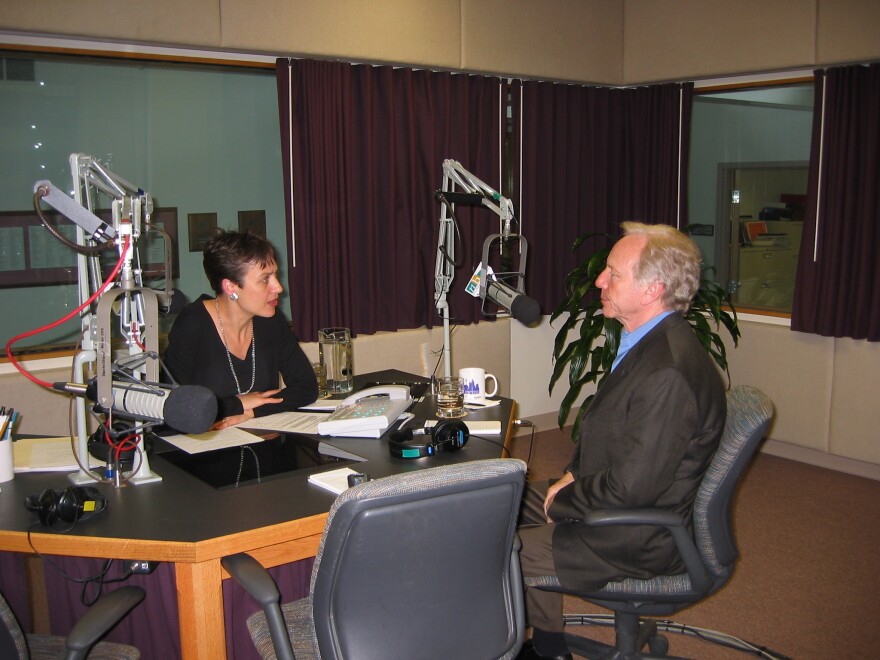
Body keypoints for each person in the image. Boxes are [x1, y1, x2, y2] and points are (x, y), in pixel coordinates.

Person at [516, 222, 727, 660]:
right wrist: (571, 475)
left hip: (631, 536)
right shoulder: (645, 341)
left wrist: (564, 501)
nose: (599, 280)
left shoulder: (668, 370)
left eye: (613, 272)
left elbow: (632, 489)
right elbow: (614, 436)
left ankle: (523, 645)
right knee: (499, 505)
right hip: (614, 501)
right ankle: (551, 645)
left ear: (652, 290)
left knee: (487, 546)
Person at [165, 230, 317, 429]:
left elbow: (306, 387)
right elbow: (173, 407)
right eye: (265, 279)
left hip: (261, 441)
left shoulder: (271, 320)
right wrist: (238, 404)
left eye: (275, 276)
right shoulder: (192, 324)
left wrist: (251, 412)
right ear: (230, 287)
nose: (278, 287)